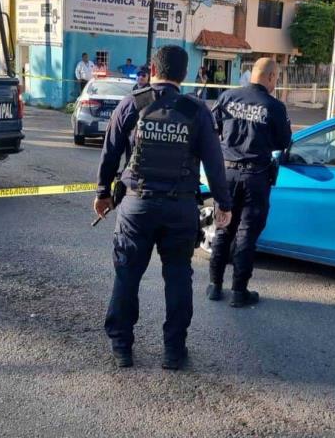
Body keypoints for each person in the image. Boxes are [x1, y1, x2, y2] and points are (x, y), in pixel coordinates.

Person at [95, 45, 232, 371]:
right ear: (184, 76)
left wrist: (102, 193)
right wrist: (224, 204)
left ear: (152, 70)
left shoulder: (132, 104)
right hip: (180, 209)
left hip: (136, 207)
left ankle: (122, 348)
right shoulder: (197, 110)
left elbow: (110, 153)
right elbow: (215, 164)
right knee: (178, 278)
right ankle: (173, 351)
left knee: (127, 276)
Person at [208, 58, 292, 307]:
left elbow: (214, 128)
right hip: (255, 176)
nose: (275, 82)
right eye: (276, 78)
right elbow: (283, 142)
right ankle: (238, 291)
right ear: (270, 77)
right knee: (246, 234)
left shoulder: (227, 97)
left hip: (227, 174)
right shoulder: (274, 106)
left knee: (223, 228)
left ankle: (214, 286)